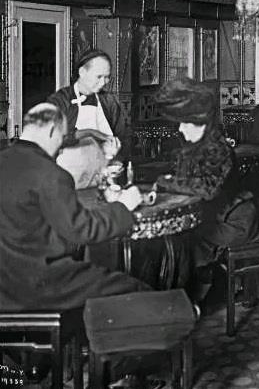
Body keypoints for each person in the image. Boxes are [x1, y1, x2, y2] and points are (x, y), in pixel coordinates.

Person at [0, 103, 148, 311]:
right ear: (52, 130)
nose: (62, 148)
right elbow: (82, 230)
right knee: (135, 289)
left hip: (5, 286)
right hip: (39, 284)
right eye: (62, 138)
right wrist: (123, 206)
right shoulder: (50, 173)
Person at [153, 77, 259, 301]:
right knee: (173, 240)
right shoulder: (192, 148)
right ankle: (184, 298)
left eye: (185, 123)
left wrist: (165, 181)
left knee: (182, 243)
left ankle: (190, 300)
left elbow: (207, 189)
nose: (180, 129)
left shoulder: (218, 148)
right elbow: (187, 184)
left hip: (235, 223)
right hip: (214, 218)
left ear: (200, 122)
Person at [47, 48, 125, 158]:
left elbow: (122, 136)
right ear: (82, 72)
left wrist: (116, 153)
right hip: (66, 166)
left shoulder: (109, 102)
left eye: (107, 77)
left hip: (103, 164)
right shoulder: (61, 100)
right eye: (99, 77)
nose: (103, 82)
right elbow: (51, 138)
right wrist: (90, 132)